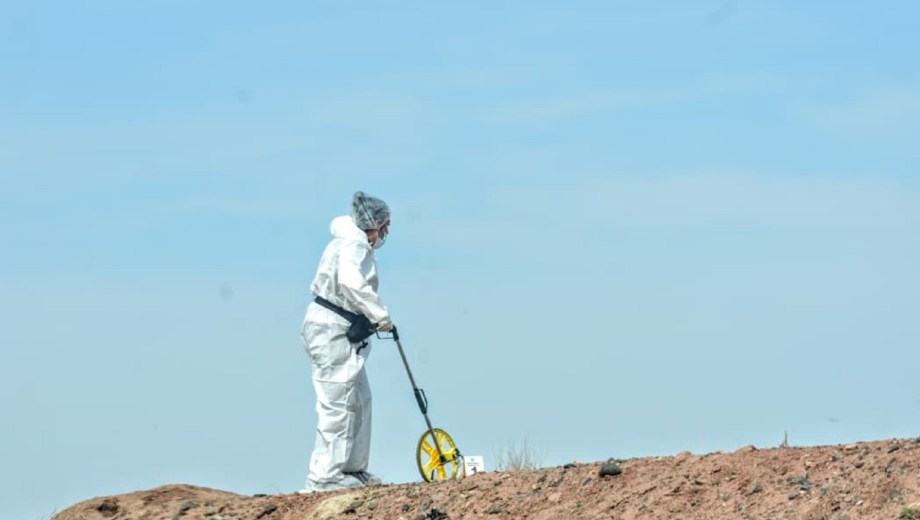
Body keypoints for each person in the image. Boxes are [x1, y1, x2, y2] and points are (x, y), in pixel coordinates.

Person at [298, 191, 394, 493]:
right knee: (338, 402)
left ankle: (352, 468)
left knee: (360, 398)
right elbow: (351, 283)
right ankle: (323, 476)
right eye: (385, 225)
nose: (386, 233)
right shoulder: (354, 244)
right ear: (374, 223)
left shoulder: (351, 243)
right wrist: (380, 315)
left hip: (339, 327)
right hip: (330, 329)